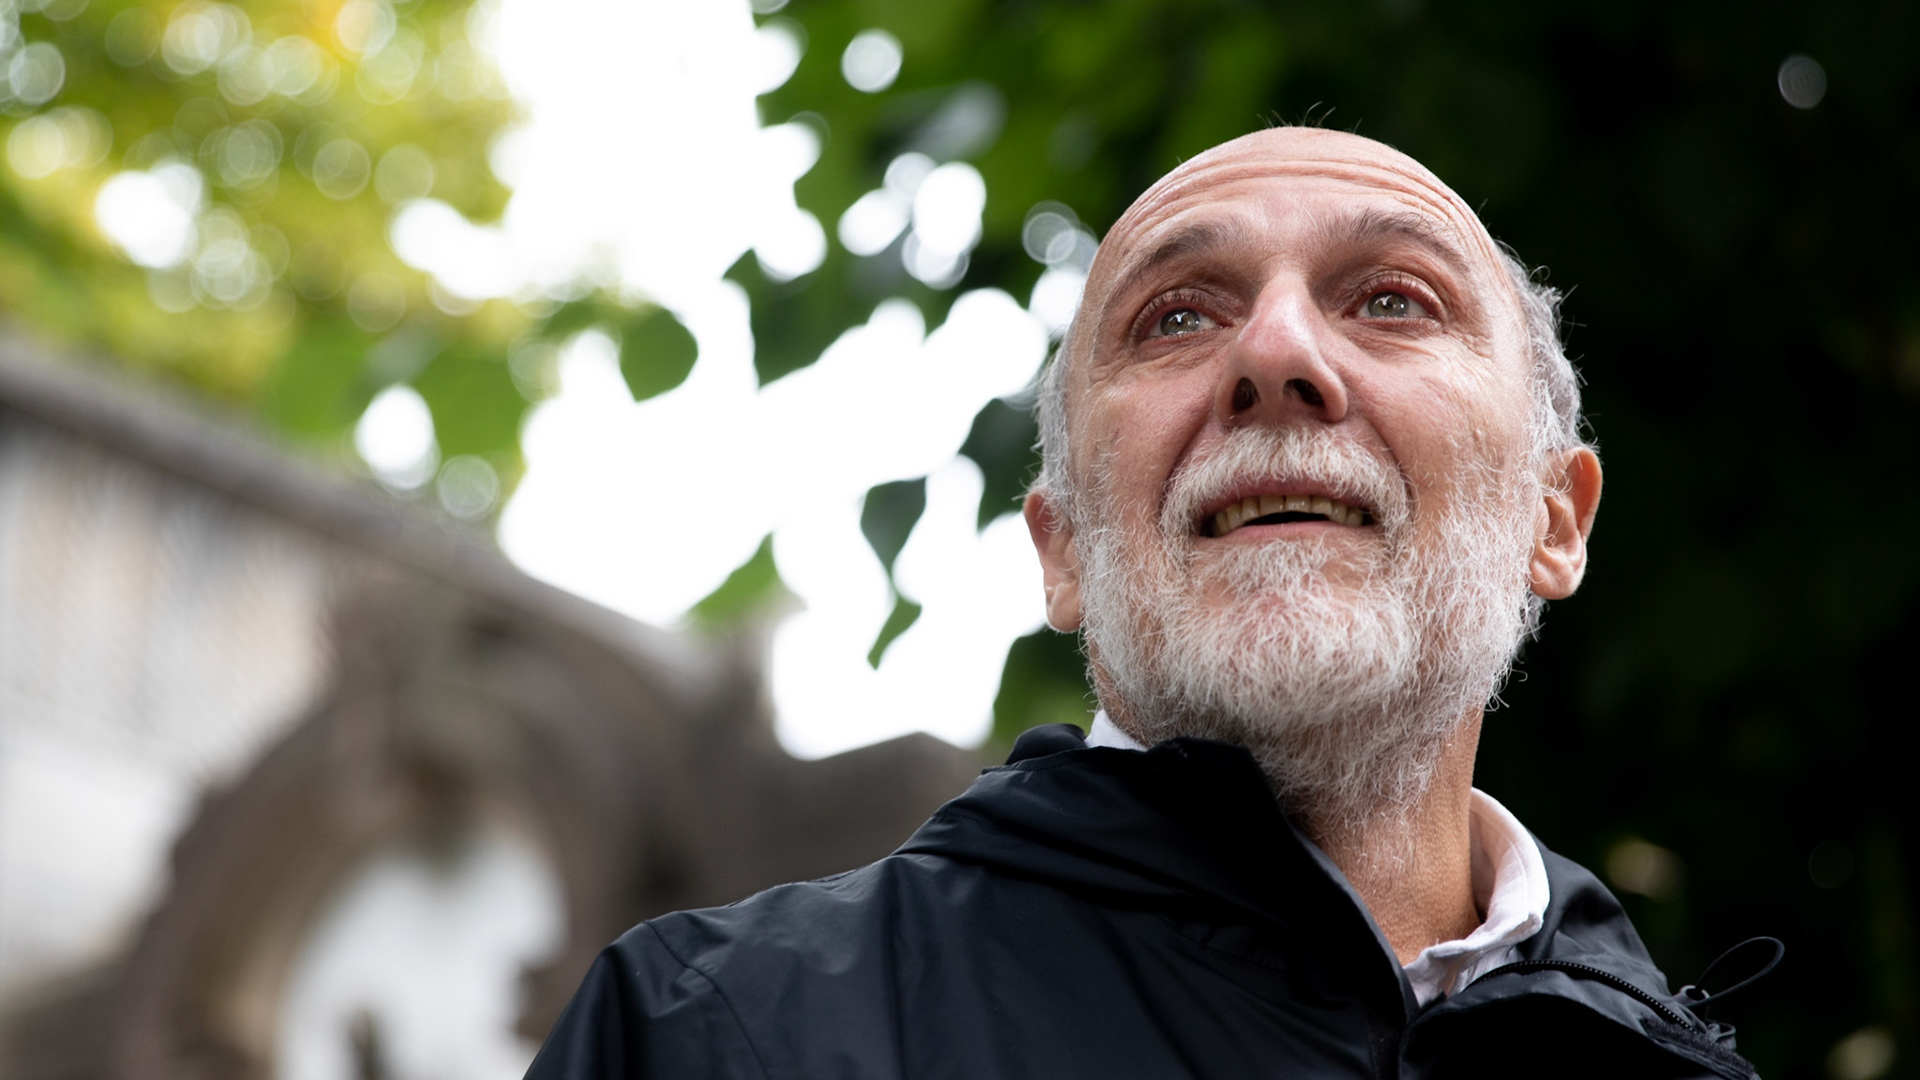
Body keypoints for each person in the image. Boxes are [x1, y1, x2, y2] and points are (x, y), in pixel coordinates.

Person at [524, 128, 1757, 1079]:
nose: (1276, 355)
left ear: (1556, 519)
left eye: (1392, 299)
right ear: (1062, 554)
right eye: (1176, 317)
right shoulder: (711, 1037)